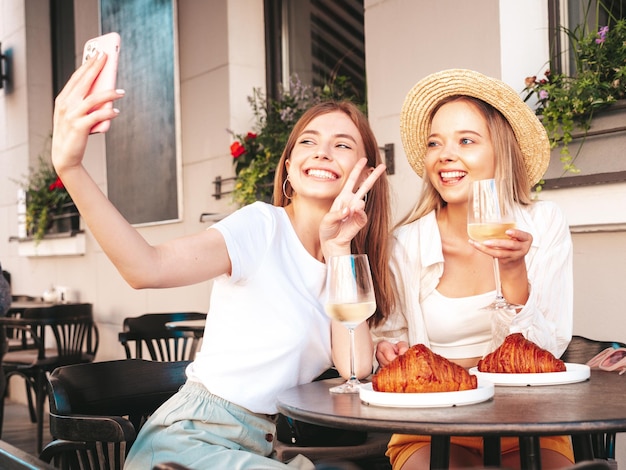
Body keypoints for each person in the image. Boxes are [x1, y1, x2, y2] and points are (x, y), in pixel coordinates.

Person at [51, 53, 395, 469]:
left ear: (364, 176)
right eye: (308, 141)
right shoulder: (261, 227)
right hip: (191, 440)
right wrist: (69, 166)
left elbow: (355, 367)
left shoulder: (348, 266)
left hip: (265, 447)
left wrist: (340, 249)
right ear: (288, 167)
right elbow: (146, 268)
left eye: (342, 145)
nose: (322, 152)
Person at [372, 69, 574, 469]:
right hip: (431, 420)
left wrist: (514, 269)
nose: (445, 154)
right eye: (435, 143)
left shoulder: (544, 223)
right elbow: (392, 344)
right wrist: (387, 351)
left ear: (501, 150)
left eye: (466, 140)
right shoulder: (404, 245)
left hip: (530, 418)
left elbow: (548, 350)